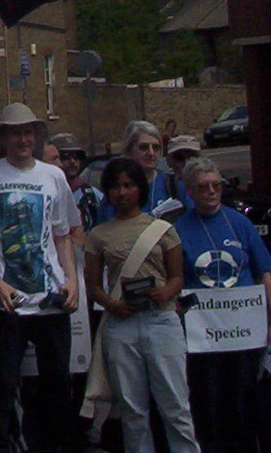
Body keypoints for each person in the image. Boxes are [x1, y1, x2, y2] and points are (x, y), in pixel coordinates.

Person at [0, 103, 78, 453]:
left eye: (28, 132)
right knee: (3, 385)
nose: (23, 139)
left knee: (58, 385)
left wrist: (71, 280)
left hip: (50, 299)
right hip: (7, 303)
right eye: (16, 132)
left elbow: (62, 234)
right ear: (4, 138)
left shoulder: (53, 176)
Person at [83, 159, 200, 453]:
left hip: (161, 320)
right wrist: (111, 303)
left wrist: (164, 293)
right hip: (121, 325)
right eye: (115, 186)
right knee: (133, 413)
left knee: (176, 407)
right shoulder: (98, 235)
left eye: (128, 185)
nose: (121, 192)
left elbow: (177, 277)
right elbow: (94, 286)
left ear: (140, 189)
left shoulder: (162, 229)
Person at [174, 156, 271, 453]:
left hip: (244, 331)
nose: (211, 191)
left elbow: (264, 275)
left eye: (216, 185)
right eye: (203, 187)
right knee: (206, 397)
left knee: (243, 395)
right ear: (190, 191)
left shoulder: (240, 224)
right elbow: (174, 280)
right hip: (202, 335)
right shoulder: (179, 229)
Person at [96, 121, 171, 222]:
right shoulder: (117, 190)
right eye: (144, 147)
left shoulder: (171, 184)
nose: (151, 153)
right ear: (129, 150)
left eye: (156, 147)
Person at [48, 132, 100, 236]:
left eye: (76, 157)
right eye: (65, 157)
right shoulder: (47, 194)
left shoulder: (93, 195)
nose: (72, 161)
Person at [161, 135, 201, 213]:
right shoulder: (162, 185)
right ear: (169, 161)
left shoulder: (215, 184)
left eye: (192, 157)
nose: (187, 163)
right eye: (179, 158)